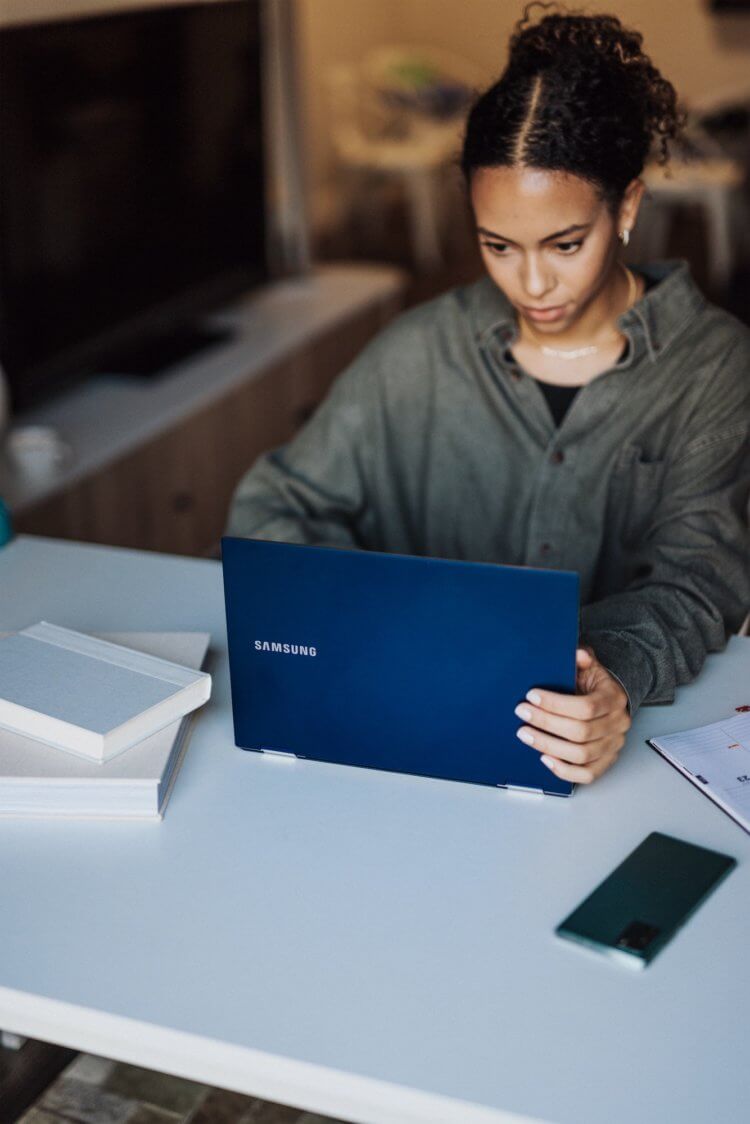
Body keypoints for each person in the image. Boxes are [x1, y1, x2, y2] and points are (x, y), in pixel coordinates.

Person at [226, 3, 750, 786]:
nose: (532, 283)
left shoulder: (714, 364)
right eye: (497, 246)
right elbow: (275, 506)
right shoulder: (419, 348)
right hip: (403, 749)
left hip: (604, 764)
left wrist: (613, 678)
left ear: (628, 208)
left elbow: (700, 579)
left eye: (566, 245)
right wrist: (371, 625)